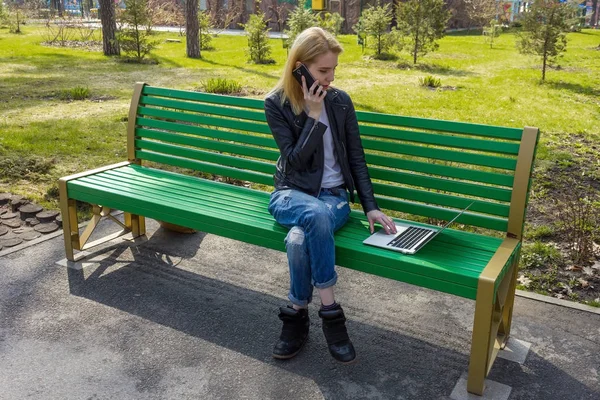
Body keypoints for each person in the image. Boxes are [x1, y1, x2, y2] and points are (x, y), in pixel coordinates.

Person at [264, 27, 397, 364]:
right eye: (323, 71)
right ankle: (331, 315)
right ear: (300, 66)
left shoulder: (340, 102)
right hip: (289, 194)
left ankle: (295, 317)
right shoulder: (277, 104)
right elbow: (295, 162)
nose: (330, 77)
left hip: (334, 198)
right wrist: (311, 115)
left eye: (333, 69)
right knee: (313, 216)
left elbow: (356, 157)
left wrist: (370, 207)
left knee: (298, 240)